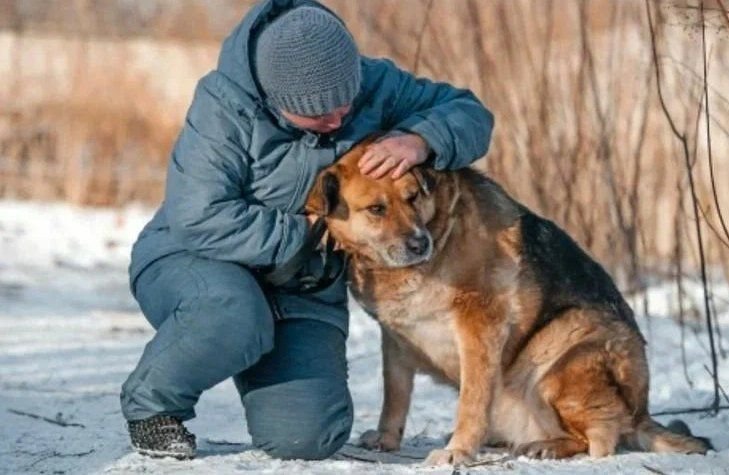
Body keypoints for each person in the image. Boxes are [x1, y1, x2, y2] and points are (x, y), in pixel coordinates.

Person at [120, 0, 494, 461]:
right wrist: (310, 231)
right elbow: (198, 216)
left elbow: (469, 112)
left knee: (308, 437)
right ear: (278, 101)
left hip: (303, 280)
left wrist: (421, 139)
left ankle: (259, 356)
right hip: (197, 259)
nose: (338, 120)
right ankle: (152, 406)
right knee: (234, 316)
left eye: (345, 104)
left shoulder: (373, 83)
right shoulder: (224, 107)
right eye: (319, 115)